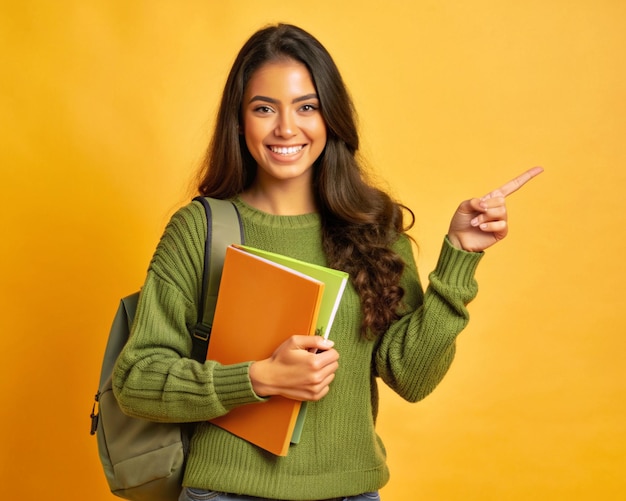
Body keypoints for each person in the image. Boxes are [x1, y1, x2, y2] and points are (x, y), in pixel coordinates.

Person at [112, 23, 542, 501]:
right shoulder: (201, 229)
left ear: (330, 117)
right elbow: (136, 379)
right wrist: (258, 378)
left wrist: (460, 257)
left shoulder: (373, 227)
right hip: (225, 493)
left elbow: (413, 377)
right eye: (263, 109)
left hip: (351, 492)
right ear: (239, 120)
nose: (286, 129)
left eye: (306, 107)